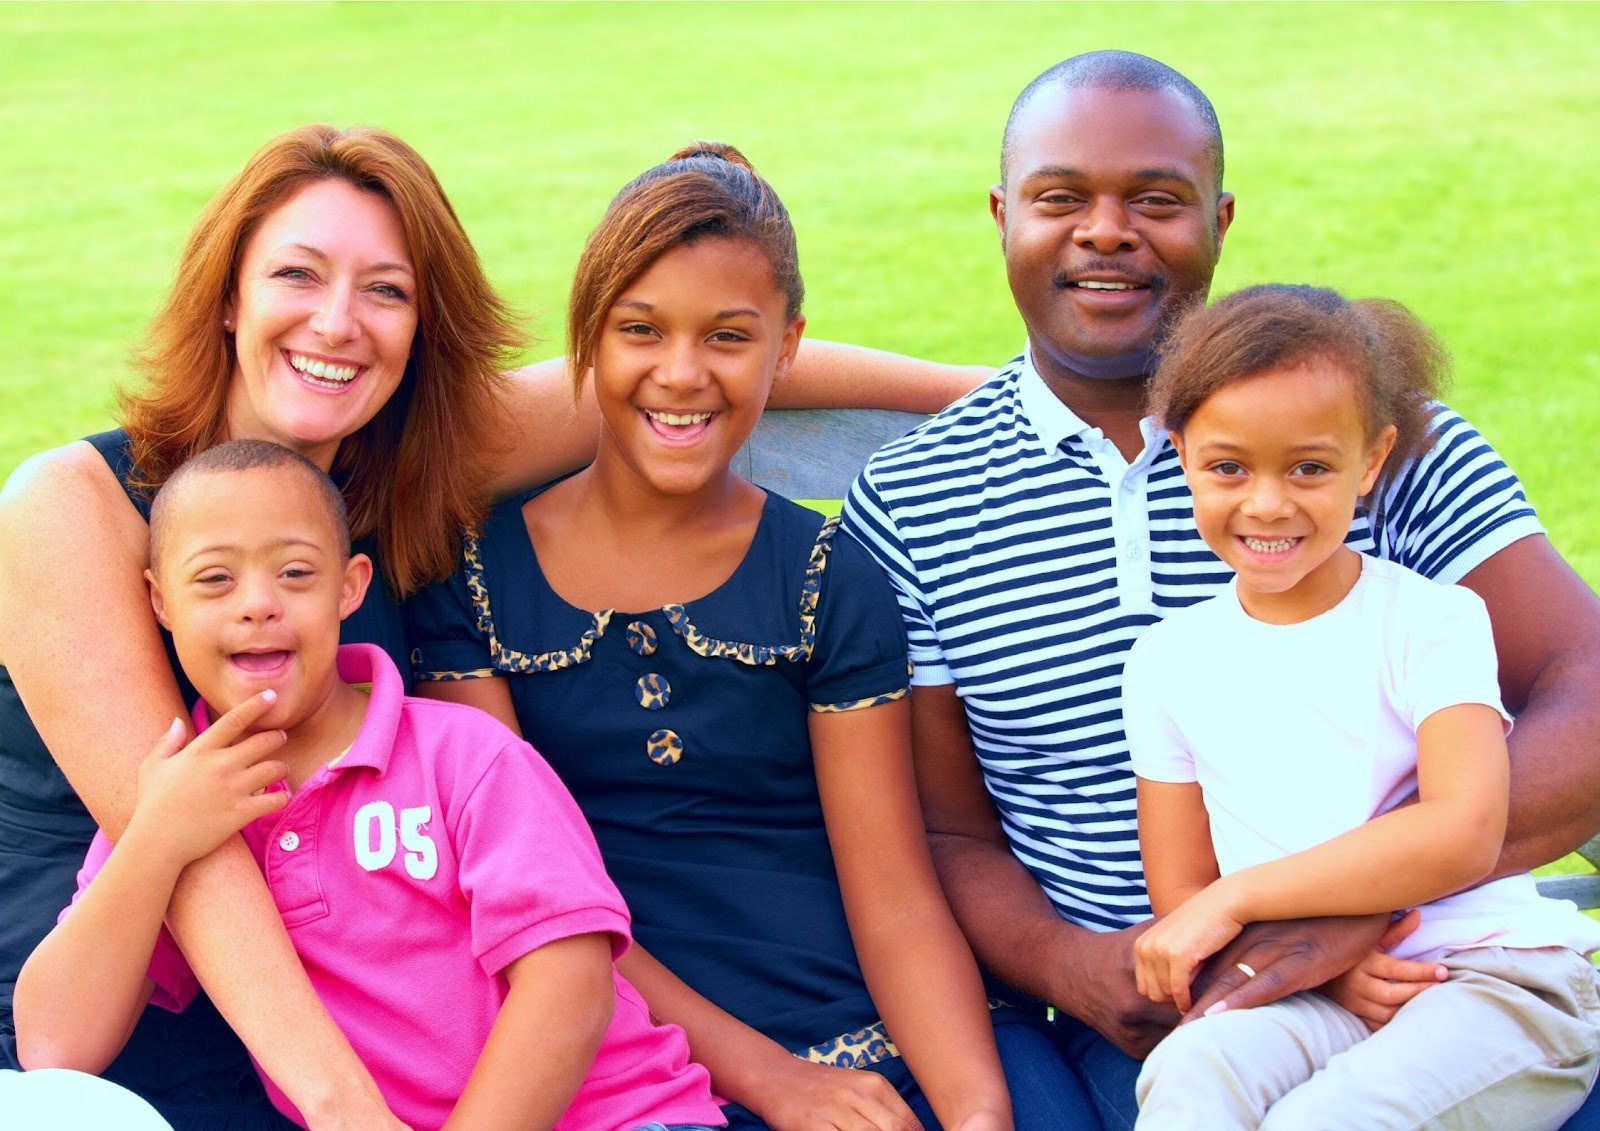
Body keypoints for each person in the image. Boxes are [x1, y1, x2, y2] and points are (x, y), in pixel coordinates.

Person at [0, 123, 972, 1129]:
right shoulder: (70, 506)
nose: (337, 323)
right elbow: (191, 850)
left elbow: (688, 358)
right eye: (297, 274)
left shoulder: (408, 473)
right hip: (118, 1049)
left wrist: (998, 395)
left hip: (372, 1061)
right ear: (228, 296)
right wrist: (345, 1109)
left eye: (386, 291)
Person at [837, 50, 1600, 1130]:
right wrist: (1074, 966)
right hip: (1151, 1014)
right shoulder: (914, 495)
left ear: (1220, 219)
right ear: (1002, 217)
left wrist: (1345, 914)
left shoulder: (1369, 438)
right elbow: (946, 830)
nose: (1107, 232)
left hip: (1431, 974)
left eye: (1156, 200)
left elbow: (1588, 683)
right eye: (1060, 198)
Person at [406, 143, 1033, 1131]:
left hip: (862, 1026)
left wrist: (974, 1114)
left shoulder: (824, 579)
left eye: (729, 338)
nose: (681, 373)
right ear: (587, 339)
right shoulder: (474, 584)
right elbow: (544, 905)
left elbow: (896, 897)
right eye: (639, 330)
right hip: (629, 1060)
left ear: (786, 349)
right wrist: (773, 1081)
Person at [14, 440, 728, 1131]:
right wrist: (155, 839)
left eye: (295, 572)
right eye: (214, 579)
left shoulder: (463, 756)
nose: (258, 603)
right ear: (160, 601)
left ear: (350, 587)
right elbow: (53, 1047)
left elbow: (570, 987)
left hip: (623, 1115)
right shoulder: (175, 800)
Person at [1122, 284, 1600, 1128]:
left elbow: (1463, 828)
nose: (1268, 503)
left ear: (1372, 460)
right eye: (1228, 467)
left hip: (1495, 977)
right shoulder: (1166, 661)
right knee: (1190, 1072)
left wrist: (1241, 899)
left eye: (1309, 467)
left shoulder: (1432, 621)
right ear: (1179, 450)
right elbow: (1185, 891)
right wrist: (1319, 964)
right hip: (1314, 989)